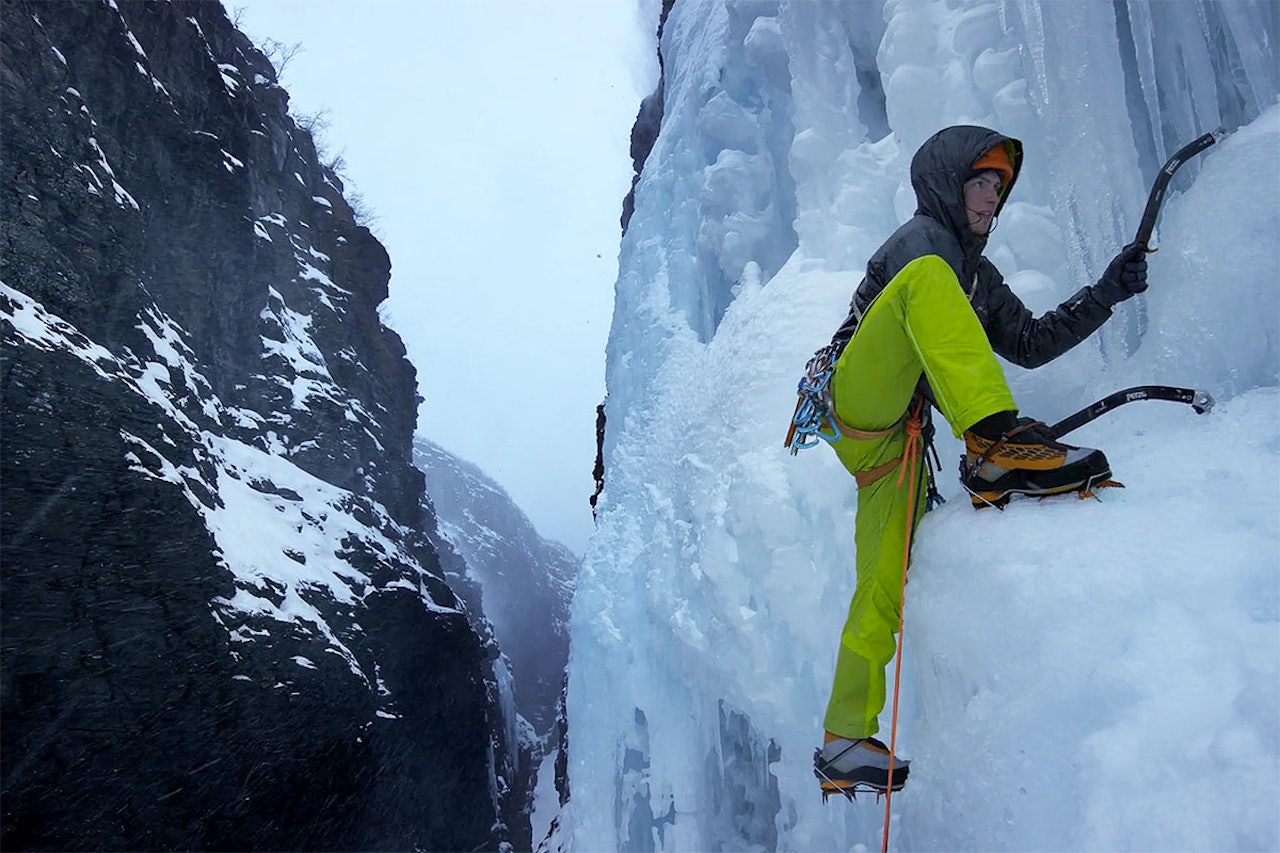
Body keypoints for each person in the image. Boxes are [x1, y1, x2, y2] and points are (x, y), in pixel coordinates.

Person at [811, 125, 1148, 796]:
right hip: (856, 394)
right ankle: (995, 443)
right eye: (979, 181)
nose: (991, 196)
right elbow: (924, 305)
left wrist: (1105, 293)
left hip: (892, 441)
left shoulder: (974, 273)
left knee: (880, 583)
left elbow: (1026, 340)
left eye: (999, 186)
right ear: (945, 183)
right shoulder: (922, 247)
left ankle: (843, 737)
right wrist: (991, 430)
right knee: (926, 281)